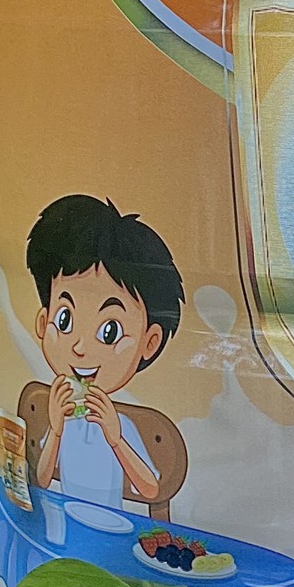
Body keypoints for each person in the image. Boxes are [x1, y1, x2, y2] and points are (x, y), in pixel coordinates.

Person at [22, 195, 183, 507]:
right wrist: (56, 429)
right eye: (64, 319)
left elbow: (150, 490)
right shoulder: (63, 420)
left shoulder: (119, 424)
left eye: (109, 331)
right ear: (43, 321)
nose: (80, 348)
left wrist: (115, 437)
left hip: (114, 528)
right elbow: (40, 480)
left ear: (150, 342)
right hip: (67, 523)